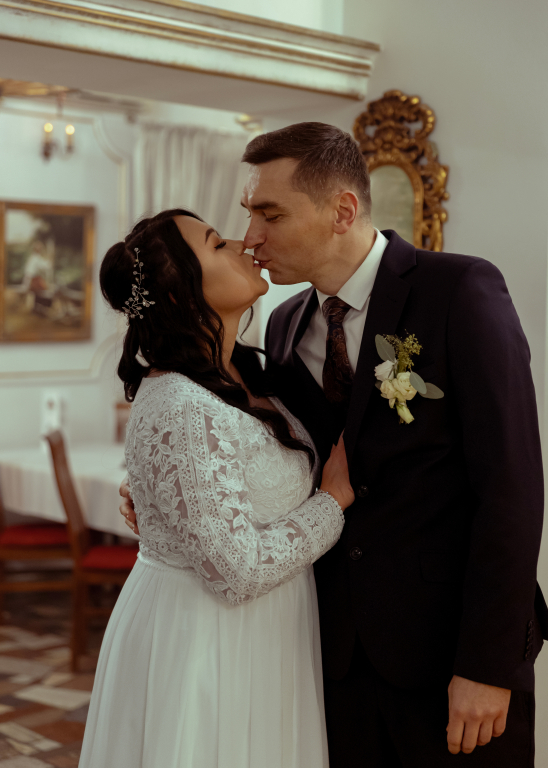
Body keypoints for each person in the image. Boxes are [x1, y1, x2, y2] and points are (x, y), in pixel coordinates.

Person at [119, 122, 548, 767]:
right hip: (329, 661)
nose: (251, 236)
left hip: (449, 659)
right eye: (248, 214)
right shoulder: (285, 326)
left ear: (342, 211)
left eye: (270, 214)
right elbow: (259, 448)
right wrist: (167, 491)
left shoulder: (458, 291)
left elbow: (512, 487)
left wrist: (488, 665)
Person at [79, 208, 355, 768]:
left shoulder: (247, 373)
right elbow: (237, 570)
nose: (240, 242)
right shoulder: (181, 403)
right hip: (207, 637)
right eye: (216, 243)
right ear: (181, 294)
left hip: (268, 631)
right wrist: (332, 501)